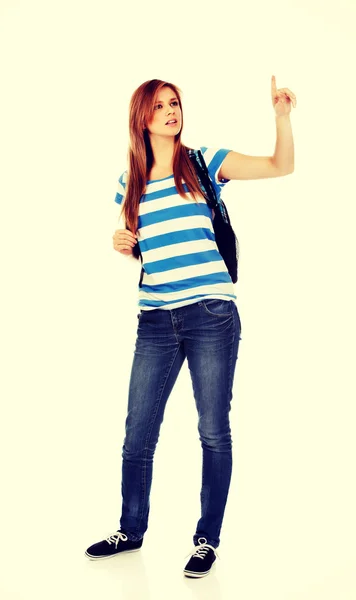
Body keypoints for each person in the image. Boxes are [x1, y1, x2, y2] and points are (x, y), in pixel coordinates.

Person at [85, 77, 296, 578]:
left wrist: (282, 118)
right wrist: (120, 241)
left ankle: (206, 540)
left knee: (212, 430)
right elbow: (136, 242)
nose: (170, 111)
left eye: (175, 103)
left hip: (210, 314)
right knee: (138, 431)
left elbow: (280, 166)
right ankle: (130, 530)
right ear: (142, 116)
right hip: (155, 318)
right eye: (159, 106)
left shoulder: (205, 161)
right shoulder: (129, 181)